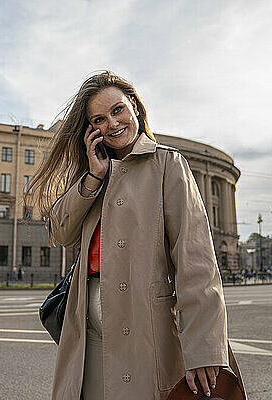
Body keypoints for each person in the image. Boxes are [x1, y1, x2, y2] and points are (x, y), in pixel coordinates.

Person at [26, 71, 228, 400]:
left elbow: (196, 261)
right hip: (87, 335)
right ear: (92, 129)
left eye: (118, 110)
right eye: (100, 119)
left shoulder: (167, 165)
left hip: (146, 328)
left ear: (134, 106)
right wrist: (93, 178)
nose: (113, 123)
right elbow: (61, 231)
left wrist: (204, 348)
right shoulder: (93, 173)